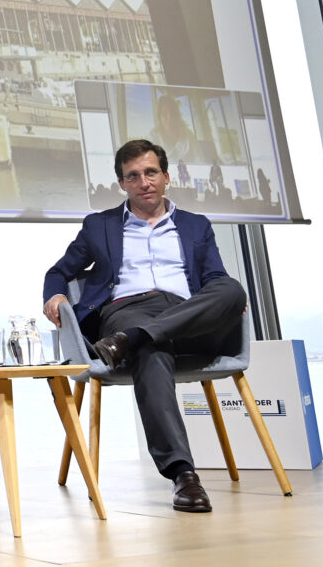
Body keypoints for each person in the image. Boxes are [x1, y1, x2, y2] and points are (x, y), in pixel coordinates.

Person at [42, 138, 245, 514]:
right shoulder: (99, 226)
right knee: (150, 348)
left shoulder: (196, 225)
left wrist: (225, 300)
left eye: (151, 172)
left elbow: (215, 278)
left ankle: (131, 341)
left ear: (166, 177)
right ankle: (184, 476)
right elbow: (59, 271)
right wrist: (54, 295)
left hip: (185, 314)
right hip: (127, 310)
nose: (143, 182)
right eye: (133, 176)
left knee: (232, 289)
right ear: (122, 183)